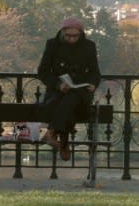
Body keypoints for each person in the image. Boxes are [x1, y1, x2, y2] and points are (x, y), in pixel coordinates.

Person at [37, 17, 101, 161]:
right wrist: (58, 85)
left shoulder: (89, 46)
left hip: (80, 93)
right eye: (68, 36)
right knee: (68, 101)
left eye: (75, 36)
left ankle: (52, 132)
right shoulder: (52, 45)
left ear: (81, 34)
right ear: (62, 33)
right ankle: (63, 142)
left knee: (73, 97)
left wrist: (92, 84)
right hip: (58, 92)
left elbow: (95, 72)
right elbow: (43, 72)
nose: (72, 39)